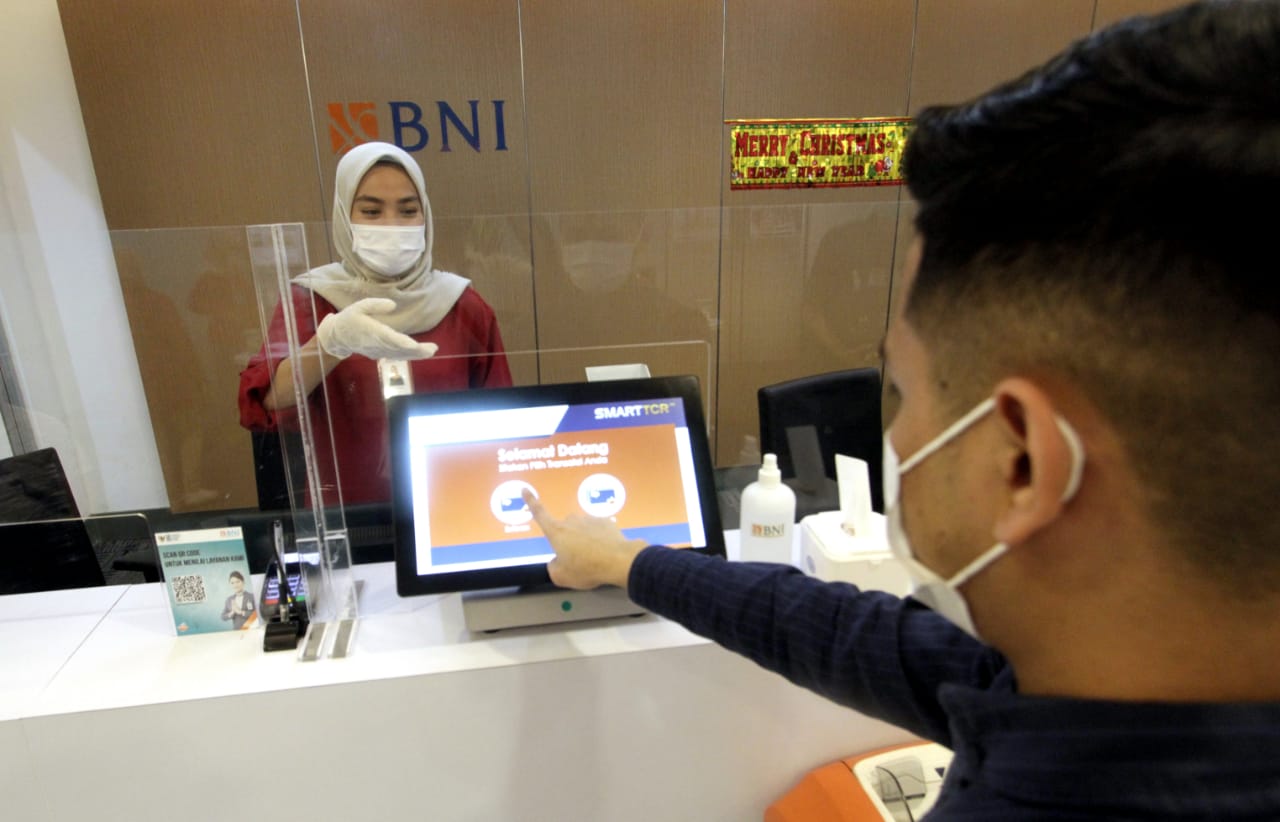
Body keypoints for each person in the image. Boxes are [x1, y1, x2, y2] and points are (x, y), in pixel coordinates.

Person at [524, 1, 1280, 817]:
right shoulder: (1104, 677)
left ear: (1023, 462)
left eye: (907, 391)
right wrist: (631, 561)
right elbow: (855, 638)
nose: (898, 430)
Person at [239, 142, 512, 505]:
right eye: (371, 211)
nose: (391, 225)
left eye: (408, 210)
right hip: (348, 513)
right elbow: (266, 402)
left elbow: (502, 419)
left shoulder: (463, 305)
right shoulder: (312, 299)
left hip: (450, 504)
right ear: (343, 215)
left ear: (426, 215)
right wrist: (329, 343)